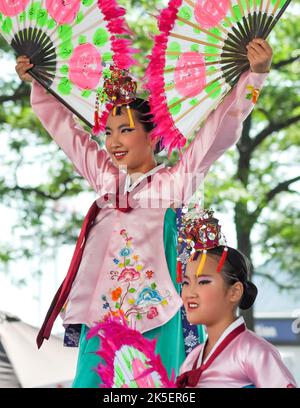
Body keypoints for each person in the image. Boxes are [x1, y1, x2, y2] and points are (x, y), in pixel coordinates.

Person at [15, 38, 272, 388]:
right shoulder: (107, 181)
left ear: (153, 136)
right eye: (108, 132)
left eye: (126, 130)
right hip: (103, 316)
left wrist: (254, 78)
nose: (114, 141)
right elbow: (67, 133)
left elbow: (219, 131)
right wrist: (39, 85)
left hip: (158, 313)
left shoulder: (174, 183)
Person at [176, 210, 297, 388]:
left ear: (235, 292)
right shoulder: (192, 359)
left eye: (203, 282)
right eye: (186, 283)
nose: (189, 293)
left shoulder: (254, 351)